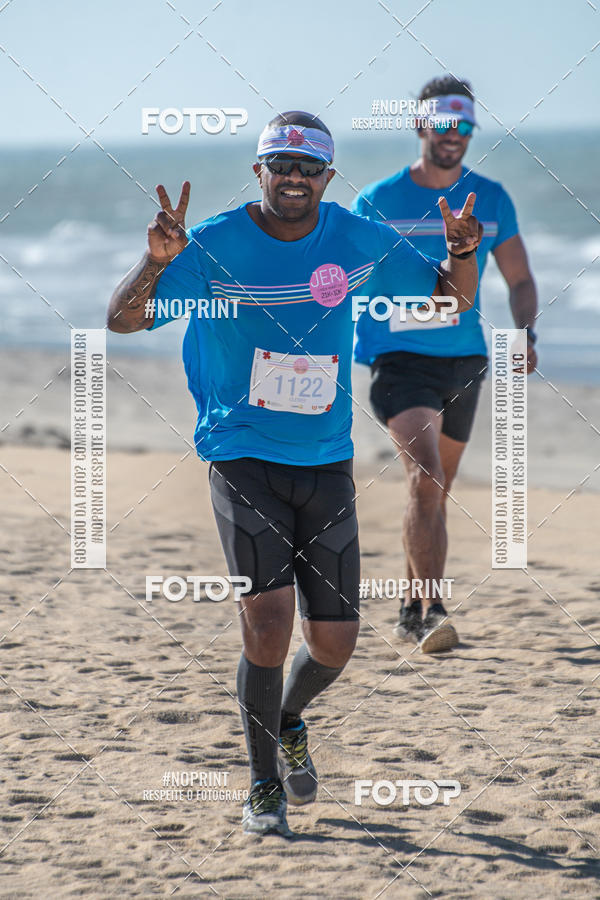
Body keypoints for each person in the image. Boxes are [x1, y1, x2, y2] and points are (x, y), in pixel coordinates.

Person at [107, 110, 482, 835]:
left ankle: (286, 715)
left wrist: (463, 254)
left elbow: (449, 299)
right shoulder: (212, 244)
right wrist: (156, 261)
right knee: (269, 623)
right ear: (260, 171)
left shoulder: (356, 239)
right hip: (239, 452)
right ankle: (263, 788)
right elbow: (124, 320)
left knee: (336, 642)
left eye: (309, 167)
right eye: (281, 163)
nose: (294, 178)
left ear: (327, 178)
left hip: (325, 462)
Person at [352, 77, 537, 654]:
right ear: (421, 126)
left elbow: (521, 278)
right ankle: (432, 611)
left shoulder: (492, 198)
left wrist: (525, 330)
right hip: (398, 357)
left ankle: (409, 605)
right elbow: (341, 276)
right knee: (426, 477)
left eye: (464, 127)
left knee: (434, 488)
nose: (454, 136)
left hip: (464, 359)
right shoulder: (377, 201)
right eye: (444, 125)